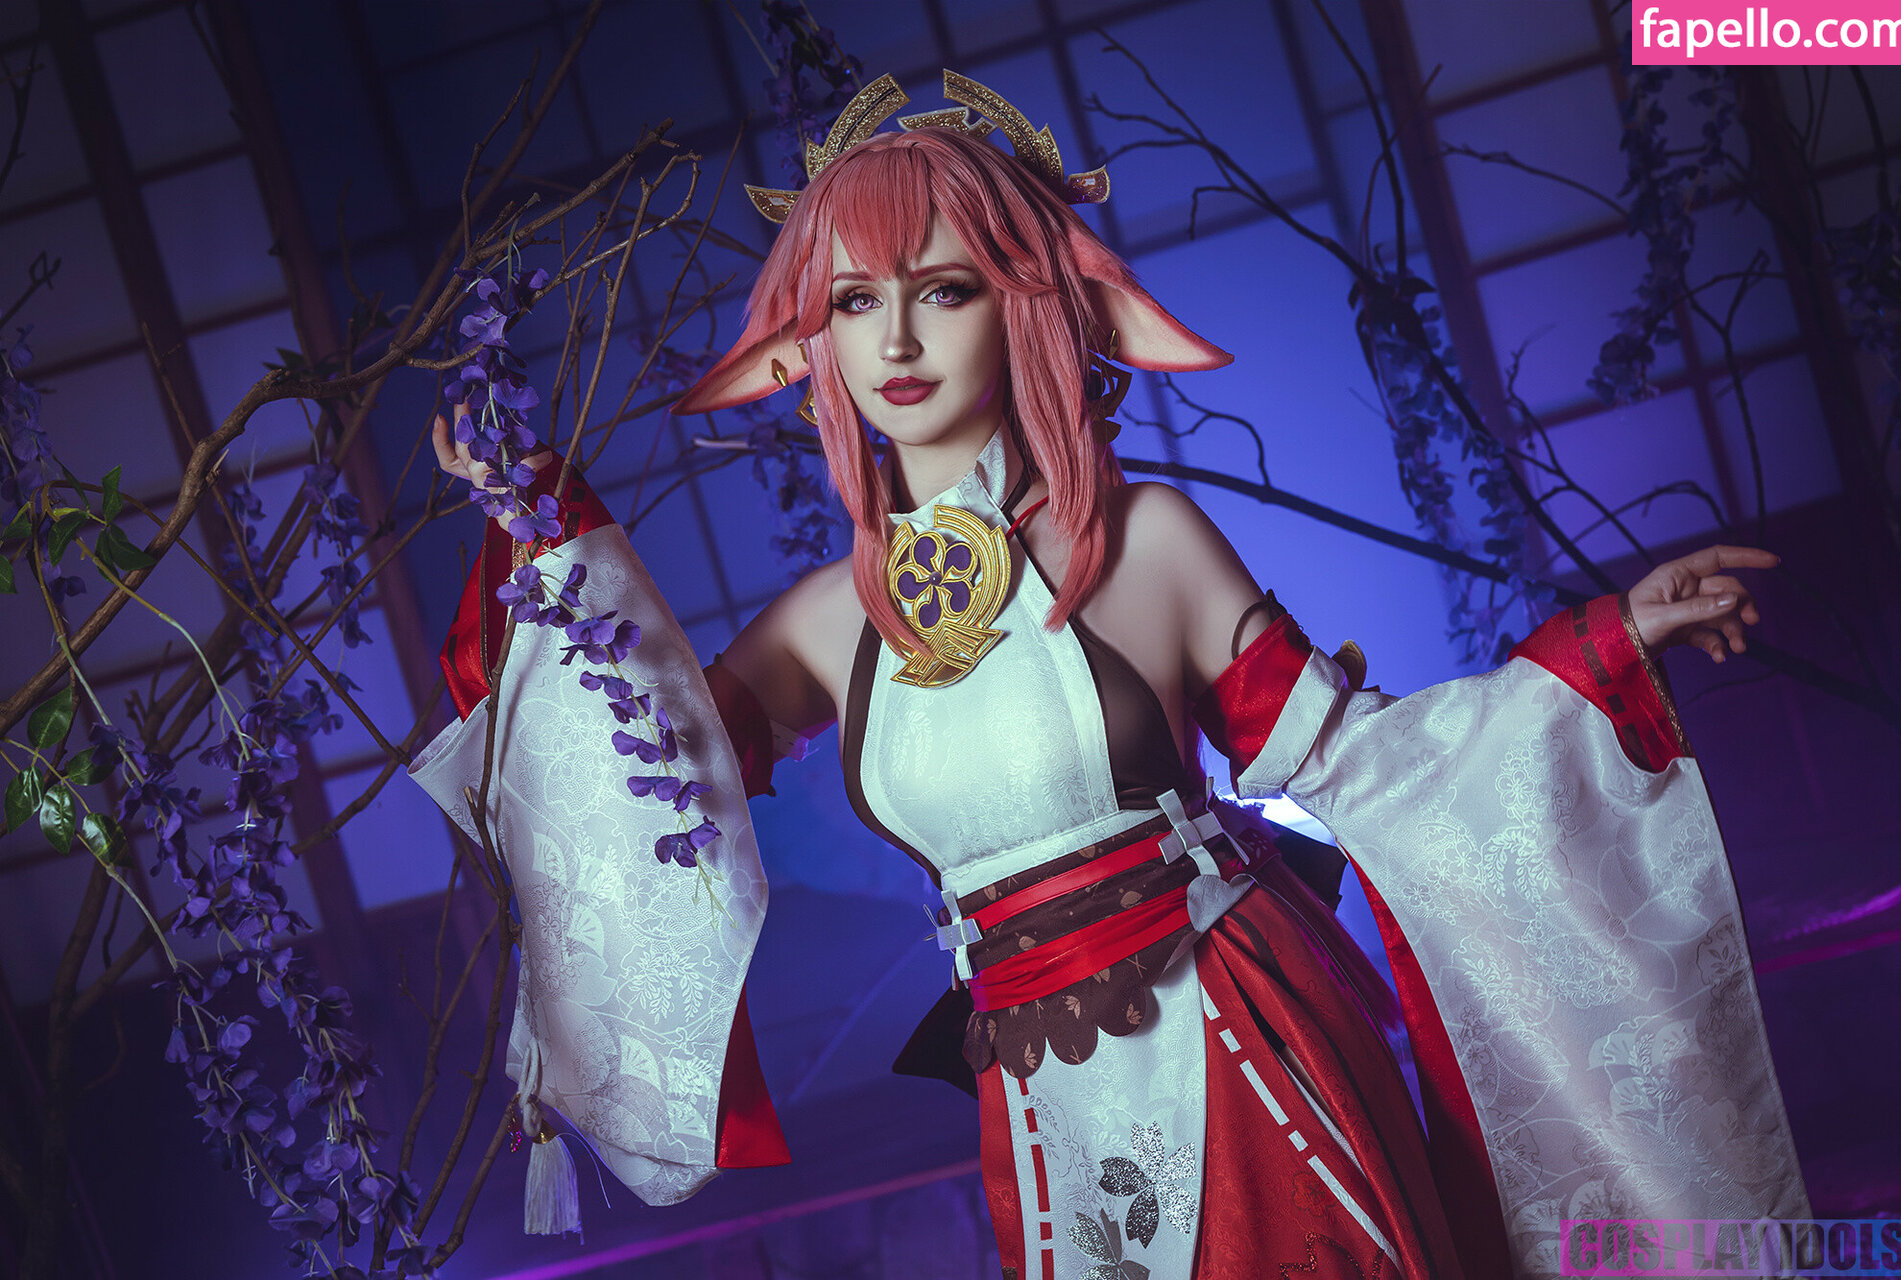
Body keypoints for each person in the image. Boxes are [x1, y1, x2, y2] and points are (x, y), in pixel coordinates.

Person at [415, 72, 1808, 1280]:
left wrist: (1602, 648)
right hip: (1034, 1095)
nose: (894, 342)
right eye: (853, 301)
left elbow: (1357, 761)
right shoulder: (823, 625)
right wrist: (545, 536)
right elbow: (641, 780)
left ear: (1030, 303)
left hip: (1238, 1031)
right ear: (810, 341)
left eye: (942, 290)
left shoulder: (1147, 543)